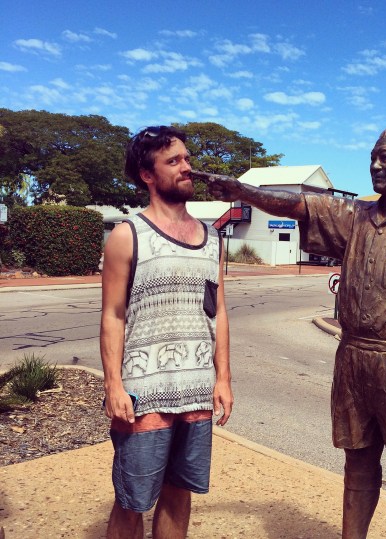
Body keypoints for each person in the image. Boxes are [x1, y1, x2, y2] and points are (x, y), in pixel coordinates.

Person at [193, 126, 386, 539]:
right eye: (372, 157)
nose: (375, 165)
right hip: (354, 359)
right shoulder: (357, 218)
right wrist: (243, 191)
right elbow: (301, 205)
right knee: (358, 463)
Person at [100, 125, 233, 539]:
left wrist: (223, 378)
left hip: (196, 391)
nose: (187, 167)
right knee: (132, 501)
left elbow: (219, 311)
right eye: (173, 161)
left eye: (187, 159)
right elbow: (112, 316)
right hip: (143, 396)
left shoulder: (212, 239)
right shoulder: (127, 236)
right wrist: (113, 386)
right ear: (147, 175)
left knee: (179, 494)